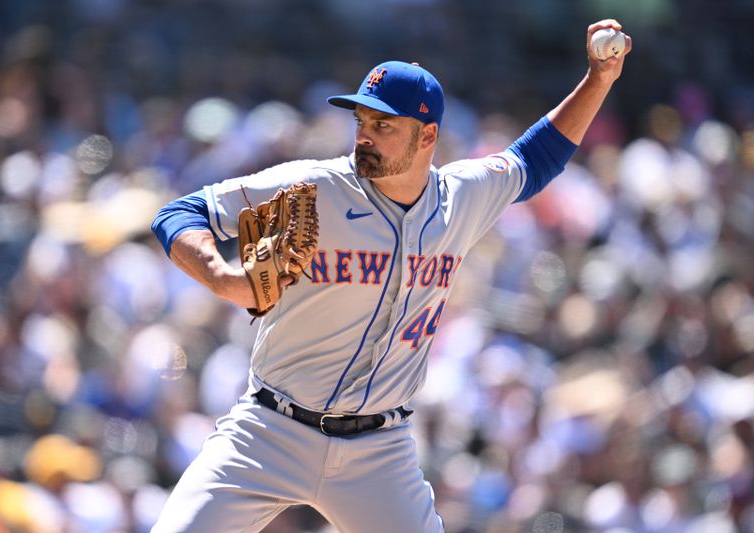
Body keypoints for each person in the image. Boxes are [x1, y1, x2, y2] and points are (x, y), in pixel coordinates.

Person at [150, 19, 632, 533]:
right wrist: (222, 276)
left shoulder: (461, 196)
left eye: (384, 126)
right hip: (271, 431)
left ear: (427, 135)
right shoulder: (312, 186)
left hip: (378, 452)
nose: (365, 136)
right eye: (361, 121)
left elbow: (537, 157)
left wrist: (598, 80)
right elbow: (177, 213)